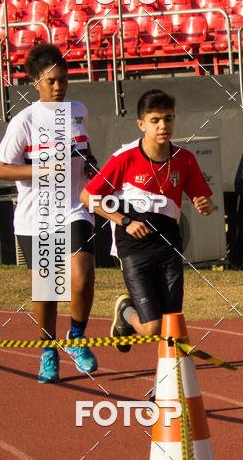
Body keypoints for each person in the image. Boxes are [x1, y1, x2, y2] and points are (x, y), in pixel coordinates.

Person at [80, 88, 214, 354]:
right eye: (155, 120)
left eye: (168, 119)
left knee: (172, 322)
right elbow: (88, 196)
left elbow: (206, 203)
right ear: (141, 124)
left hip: (169, 245)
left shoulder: (185, 159)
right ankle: (125, 311)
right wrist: (124, 220)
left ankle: (167, 387)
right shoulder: (124, 157)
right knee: (153, 327)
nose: (163, 126)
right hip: (133, 248)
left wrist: (206, 205)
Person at [0, 43, 98, 384]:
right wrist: (41, 170)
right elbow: (2, 170)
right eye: (52, 81)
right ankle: (48, 350)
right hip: (35, 216)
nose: (59, 87)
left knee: (82, 276)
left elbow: (84, 149)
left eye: (64, 80)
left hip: (75, 208)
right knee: (48, 291)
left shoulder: (79, 109)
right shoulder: (23, 121)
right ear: (36, 81)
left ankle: (77, 339)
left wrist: (93, 169)